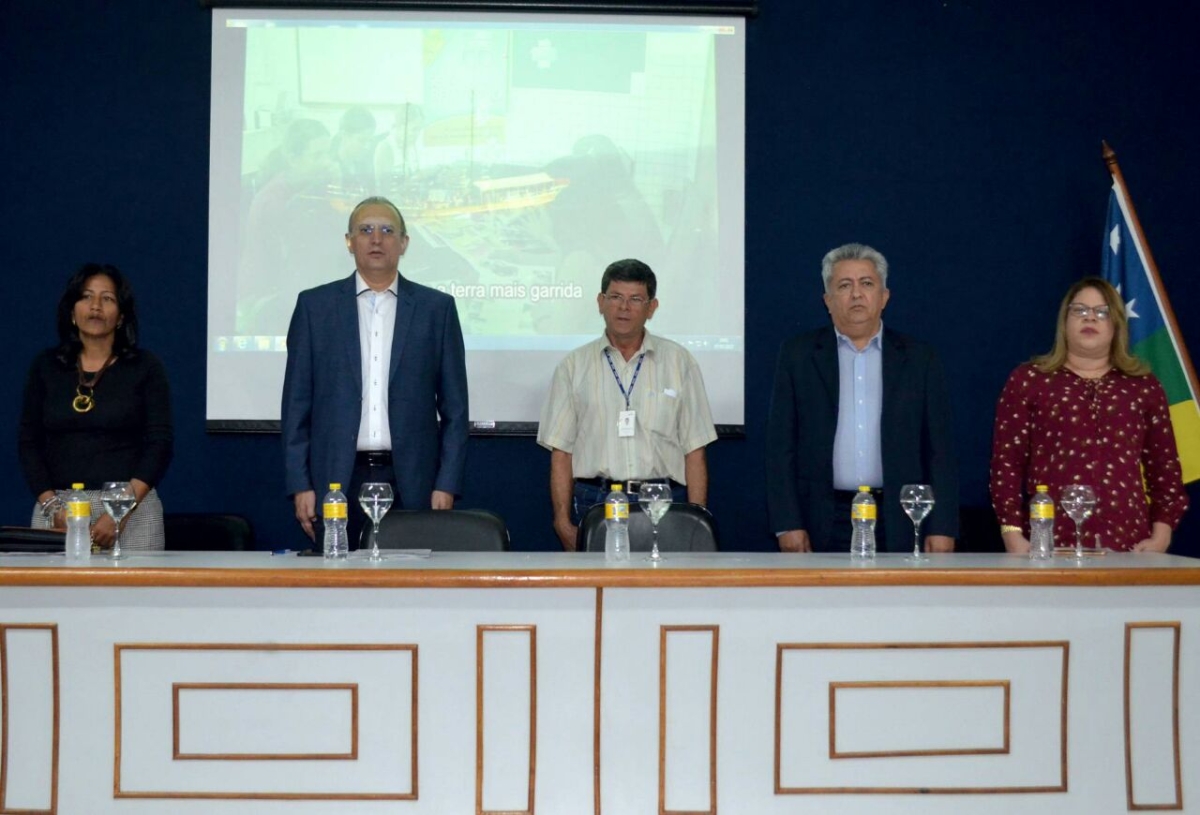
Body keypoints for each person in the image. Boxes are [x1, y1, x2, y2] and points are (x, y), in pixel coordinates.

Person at [281, 196, 469, 547]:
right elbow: (296, 405)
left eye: (387, 230)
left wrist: (447, 483)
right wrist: (300, 484)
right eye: (365, 230)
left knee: (410, 591)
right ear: (349, 241)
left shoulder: (436, 309)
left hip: (412, 480)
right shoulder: (315, 307)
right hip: (336, 478)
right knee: (339, 591)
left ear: (404, 242)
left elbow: (456, 410)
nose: (376, 239)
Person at [765, 243, 958, 553]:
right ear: (827, 300)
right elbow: (780, 447)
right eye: (845, 285)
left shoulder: (919, 359)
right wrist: (787, 522)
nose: (856, 294)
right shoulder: (798, 356)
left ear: (884, 297)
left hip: (902, 517)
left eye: (867, 283)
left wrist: (943, 525)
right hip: (822, 518)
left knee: (899, 602)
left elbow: (940, 450)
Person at [990, 277, 1188, 553]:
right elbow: (1006, 465)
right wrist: (1012, 533)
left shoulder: (1143, 385)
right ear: (1065, 321)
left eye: (1101, 312)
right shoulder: (1030, 380)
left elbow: (1164, 467)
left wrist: (1162, 533)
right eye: (1079, 310)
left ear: (1117, 324)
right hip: (1048, 542)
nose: (1090, 318)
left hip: (1128, 544)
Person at [538, 258, 717, 550]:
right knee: (601, 593)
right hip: (596, 500)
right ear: (600, 302)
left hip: (663, 499)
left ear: (652, 307)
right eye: (616, 297)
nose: (624, 307)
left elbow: (695, 450)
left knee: (663, 592)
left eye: (635, 299)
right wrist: (562, 521)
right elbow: (561, 452)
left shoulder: (679, 362)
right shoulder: (573, 367)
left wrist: (696, 520)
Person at [19, 264, 173, 551]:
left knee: (132, 598)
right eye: (86, 296)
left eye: (108, 299)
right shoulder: (46, 367)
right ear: (71, 312)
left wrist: (120, 510)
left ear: (121, 317)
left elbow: (159, 445)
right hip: (58, 512)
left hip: (131, 510)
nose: (96, 306)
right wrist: (53, 508)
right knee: (53, 597)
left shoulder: (145, 367)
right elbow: (29, 442)